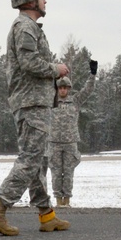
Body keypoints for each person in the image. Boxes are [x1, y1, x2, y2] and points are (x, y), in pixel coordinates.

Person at [0, 0, 70, 236]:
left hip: (34, 102)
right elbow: (29, 61)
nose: (45, 2)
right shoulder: (25, 27)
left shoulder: (29, 27)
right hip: (31, 103)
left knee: (37, 161)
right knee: (30, 160)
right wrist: (56, 69)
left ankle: (47, 216)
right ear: (31, 0)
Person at [49, 60, 97, 207]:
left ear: (69, 89)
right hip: (54, 143)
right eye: (60, 88)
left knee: (68, 173)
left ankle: (67, 200)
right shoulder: (50, 101)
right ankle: (58, 200)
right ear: (57, 89)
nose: (63, 90)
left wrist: (93, 75)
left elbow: (87, 90)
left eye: (65, 88)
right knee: (56, 173)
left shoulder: (75, 101)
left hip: (70, 143)